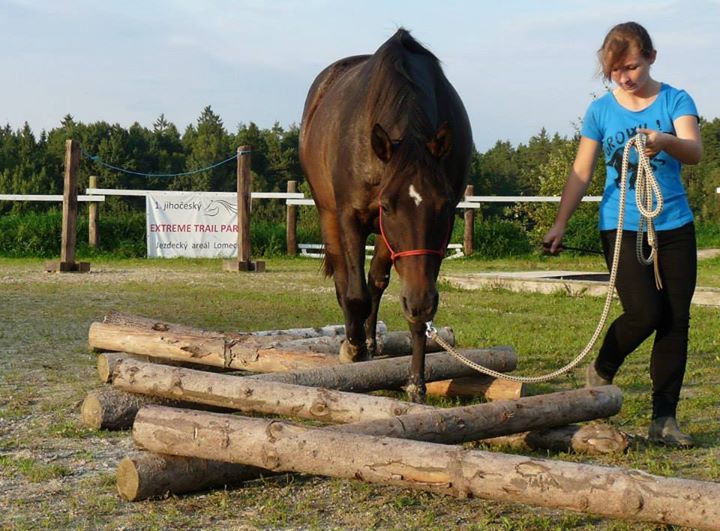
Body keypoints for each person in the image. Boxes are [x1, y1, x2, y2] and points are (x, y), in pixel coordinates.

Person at [543, 21, 703, 447]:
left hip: (673, 223)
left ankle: (664, 418)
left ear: (651, 57)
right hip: (621, 223)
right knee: (645, 312)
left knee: (676, 319)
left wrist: (665, 140)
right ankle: (601, 368)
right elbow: (582, 171)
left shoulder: (675, 99)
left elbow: (695, 151)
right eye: (616, 71)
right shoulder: (600, 111)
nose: (625, 77)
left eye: (631, 66)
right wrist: (560, 221)